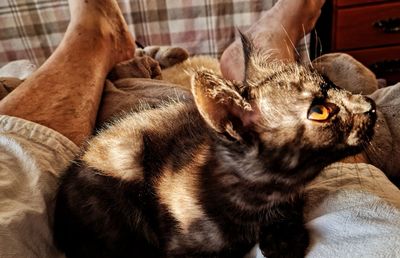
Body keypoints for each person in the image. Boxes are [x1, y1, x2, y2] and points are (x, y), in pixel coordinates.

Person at [0, 0, 399, 257]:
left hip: (229, 153)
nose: (365, 102)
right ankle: (98, 36)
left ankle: (92, 39)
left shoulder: (266, 171)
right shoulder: (208, 221)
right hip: (123, 212)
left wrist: (283, 219)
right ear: (236, 124)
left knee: (14, 156)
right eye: (324, 110)